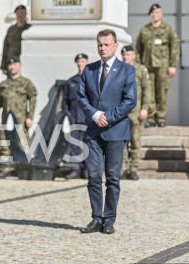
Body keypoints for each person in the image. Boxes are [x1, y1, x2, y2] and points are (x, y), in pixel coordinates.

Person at [77, 29, 137, 234]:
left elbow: (130, 101)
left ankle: (109, 219)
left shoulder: (127, 71)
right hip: (93, 131)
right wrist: (95, 115)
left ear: (115, 45)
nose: (103, 48)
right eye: (100, 45)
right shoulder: (89, 69)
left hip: (116, 131)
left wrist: (108, 117)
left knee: (112, 178)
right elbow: (81, 97)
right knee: (93, 176)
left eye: (106, 44)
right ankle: (96, 217)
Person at [135, 3, 180, 128]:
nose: (155, 15)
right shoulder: (144, 30)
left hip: (163, 66)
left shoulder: (168, 29)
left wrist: (172, 65)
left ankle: (160, 117)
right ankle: (150, 118)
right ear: (150, 15)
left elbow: (175, 48)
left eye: (157, 12)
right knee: (149, 92)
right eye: (153, 13)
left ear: (161, 14)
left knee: (161, 92)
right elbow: (138, 49)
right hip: (148, 66)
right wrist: (139, 65)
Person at [0, 56, 37, 178]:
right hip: (6, 119)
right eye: (10, 65)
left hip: (21, 120)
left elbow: (32, 99)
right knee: (4, 143)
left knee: (22, 143)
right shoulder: (3, 84)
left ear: (20, 66)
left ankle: (23, 167)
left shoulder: (26, 83)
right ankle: (5, 167)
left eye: (15, 64)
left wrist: (30, 117)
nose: (13, 67)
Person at [121, 45, 153, 181]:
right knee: (121, 142)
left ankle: (133, 169)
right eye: (123, 55)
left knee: (135, 142)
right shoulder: (117, 70)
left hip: (136, 112)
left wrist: (145, 108)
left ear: (133, 55)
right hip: (121, 113)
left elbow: (147, 90)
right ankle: (122, 169)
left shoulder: (140, 69)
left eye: (127, 54)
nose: (125, 57)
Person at [62, 53, 89, 179]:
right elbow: (65, 101)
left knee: (88, 144)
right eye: (78, 62)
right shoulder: (71, 81)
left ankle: (88, 170)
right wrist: (66, 116)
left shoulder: (92, 80)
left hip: (88, 117)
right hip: (74, 116)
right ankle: (75, 168)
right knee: (74, 144)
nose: (80, 64)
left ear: (87, 62)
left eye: (82, 61)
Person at [0, 5, 31, 74]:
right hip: (11, 63)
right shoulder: (11, 29)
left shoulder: (30, 29)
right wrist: (3, 65)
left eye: (22, 13)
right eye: (18, 13)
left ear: (26, 14)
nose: (20, 15)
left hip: (25, 62)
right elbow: (5, 47)